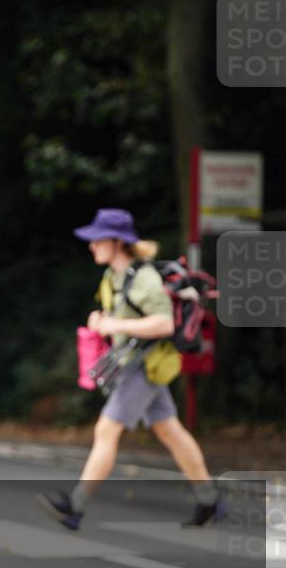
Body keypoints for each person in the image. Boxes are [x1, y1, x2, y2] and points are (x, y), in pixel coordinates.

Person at [38, 208, 225, 530]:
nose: (91, 246)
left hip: (145, 366)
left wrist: (113, 323)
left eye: (97, 240)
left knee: (106, 431)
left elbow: (164, 323)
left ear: (116, 242)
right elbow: (116, 316)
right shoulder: (113, 276)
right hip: (133, 364)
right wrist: (102, 321)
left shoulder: (144, 277)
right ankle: (209, 501)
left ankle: (76, 507)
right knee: (171, 432)